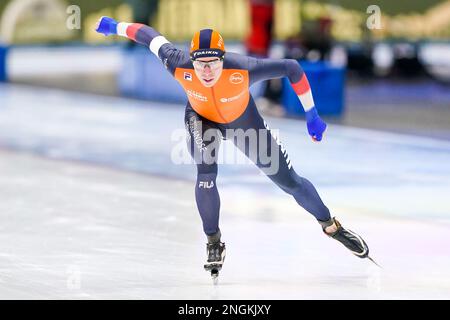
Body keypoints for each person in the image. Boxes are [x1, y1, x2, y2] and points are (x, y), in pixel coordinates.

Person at [95, 17, 372, 276]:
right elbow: (147, 35)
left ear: (223, 58)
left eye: (213, 63)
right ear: (190, 60)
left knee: (290, 183)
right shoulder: (176, 62)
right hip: (201, 119)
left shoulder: (243, 68)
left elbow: (292, 68)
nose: (206, 71)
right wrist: (116, 26)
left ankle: (332, 227)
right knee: (205, 176)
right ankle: (213, 242)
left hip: (244, 121)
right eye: (200, 64)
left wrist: (312, 114)